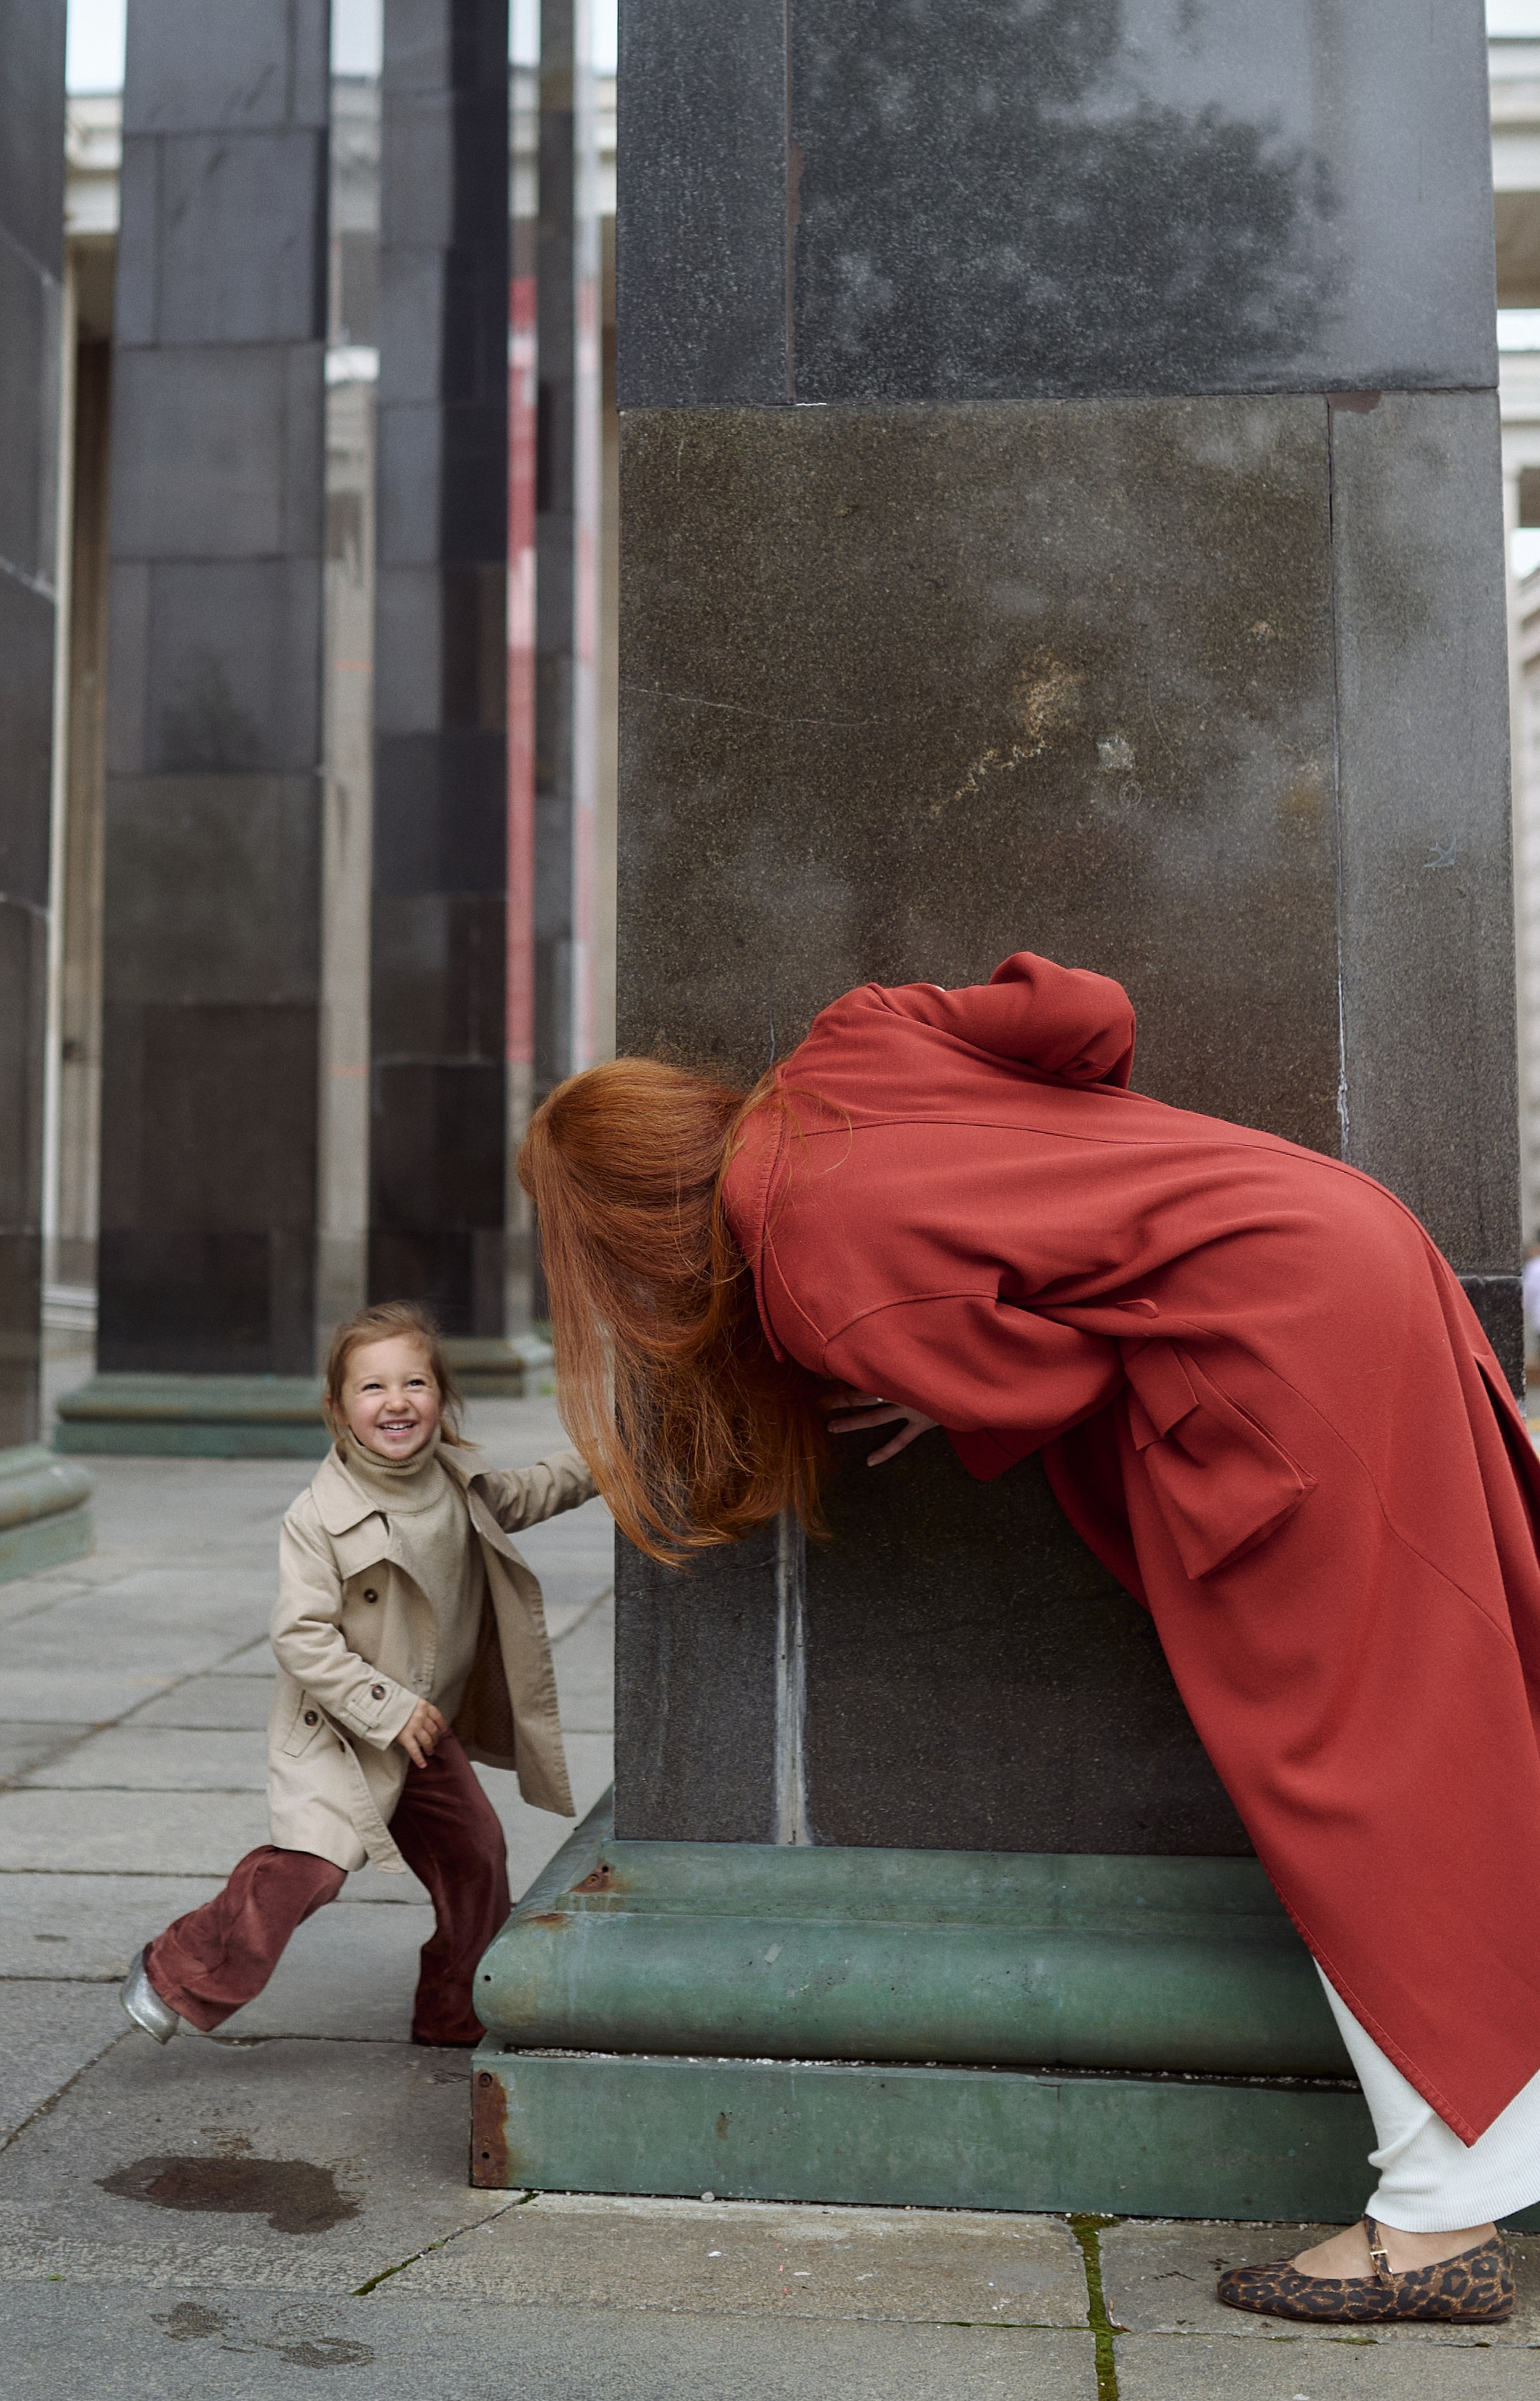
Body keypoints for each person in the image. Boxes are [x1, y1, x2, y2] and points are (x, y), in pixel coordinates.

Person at [518, 952, 1540, 2327]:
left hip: (1270, 1356)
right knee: (1464, 1689)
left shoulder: (811, 1281)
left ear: (631, 1221)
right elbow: (1090, 1011)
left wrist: (945, 1380)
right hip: (1346, 1240)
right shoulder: (846, 1041)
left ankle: (1437, 2220)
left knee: (1347, 1772)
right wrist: (1064, 1184)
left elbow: (1052, 1372)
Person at [120, 1303, 596, 2051]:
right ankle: (176, 1967)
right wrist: (384, 1705)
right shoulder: (320, 1516)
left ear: (442, 1395)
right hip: (347, 1730)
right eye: (371, 1387)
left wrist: (615, 1458)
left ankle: (454, 2006)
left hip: (422, 1728)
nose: (396, 1400)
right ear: (338, 1408)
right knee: (308, 1871)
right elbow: (300, 1636)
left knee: (476, 1852)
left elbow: (537, 1490)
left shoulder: (459, 1484)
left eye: (414, 1381)